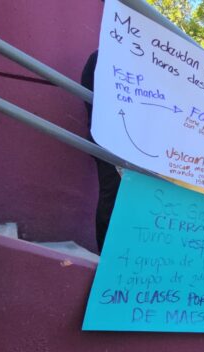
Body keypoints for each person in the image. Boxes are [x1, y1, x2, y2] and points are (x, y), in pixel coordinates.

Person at [81, 50, 121, 252]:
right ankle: (108, 255)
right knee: (113, 197)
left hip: (139, 145)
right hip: (109, 141)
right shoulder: (102, 57)